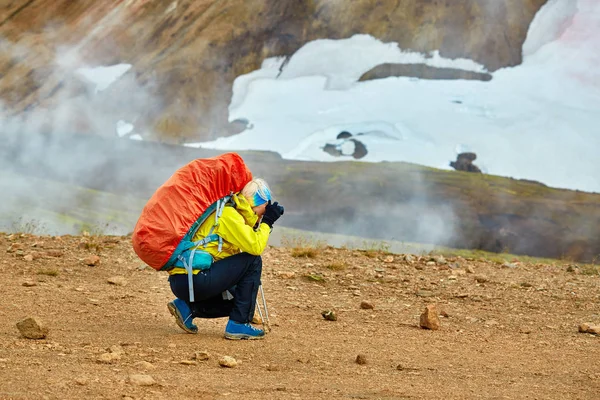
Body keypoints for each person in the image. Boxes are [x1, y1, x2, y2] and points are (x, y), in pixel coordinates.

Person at [166, 178, 284, 340]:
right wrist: (268, 222)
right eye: (264, 209)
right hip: (194, 279)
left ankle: (186, 308)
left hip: (187, 280)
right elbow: (255, 248)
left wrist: (259, 223)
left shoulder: (232, 214)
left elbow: (234, 260)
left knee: (241, 298)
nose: (264, 214)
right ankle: (238, 324)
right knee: (253, 261)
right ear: (255, 204)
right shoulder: (229, 215)